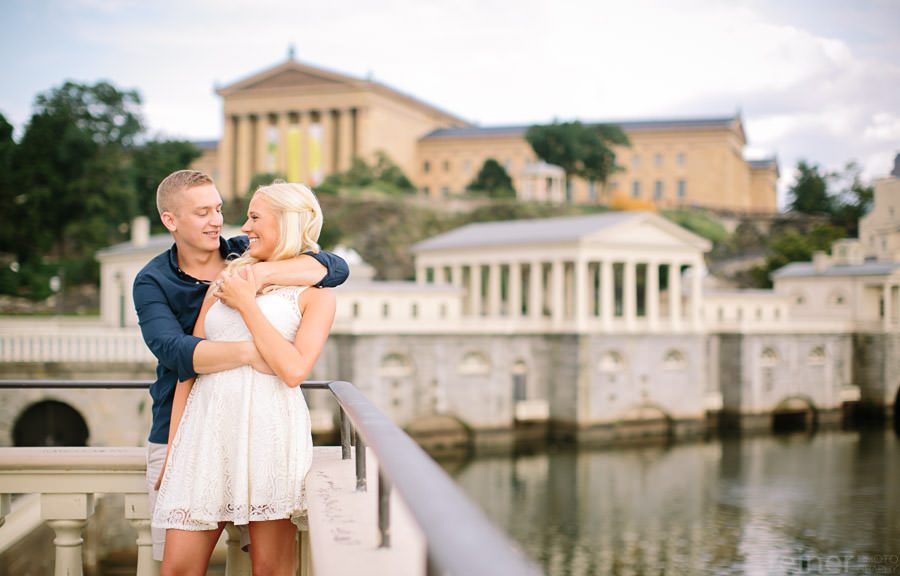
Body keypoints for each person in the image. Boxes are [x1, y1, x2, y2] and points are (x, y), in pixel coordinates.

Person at [133, 170, 348, 564]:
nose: (228, 223)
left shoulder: (252, 271)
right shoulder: (163, 280)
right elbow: (184, 363)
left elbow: (333, 270)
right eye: (204, 212)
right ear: (171, 220)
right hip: (202, 433)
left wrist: (254, 285)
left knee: (271, 567)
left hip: (269, 433)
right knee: (176, 566)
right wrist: (175, 450)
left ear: (286, 221)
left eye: (250, 217)